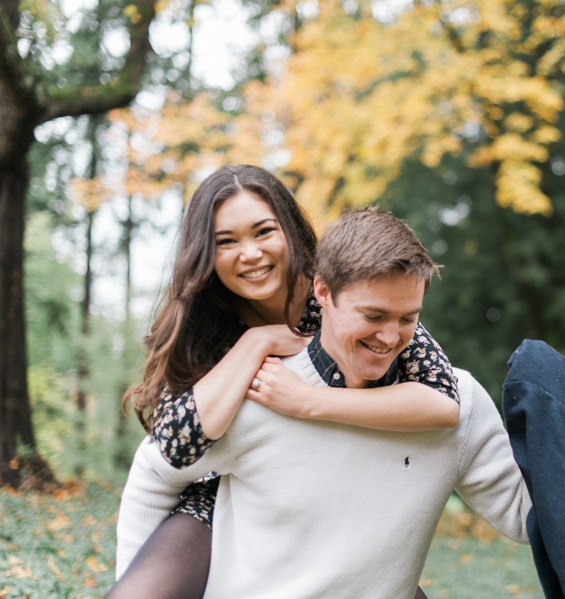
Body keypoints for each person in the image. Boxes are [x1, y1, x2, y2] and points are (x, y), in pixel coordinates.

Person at [114, 208, 532, 598]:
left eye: (408, 318)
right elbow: (155, 472)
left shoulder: (455, 398)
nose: (390, 337)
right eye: (372, 316)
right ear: (323, 294)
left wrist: (558, 427)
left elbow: (524, 514)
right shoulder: (256, 390)